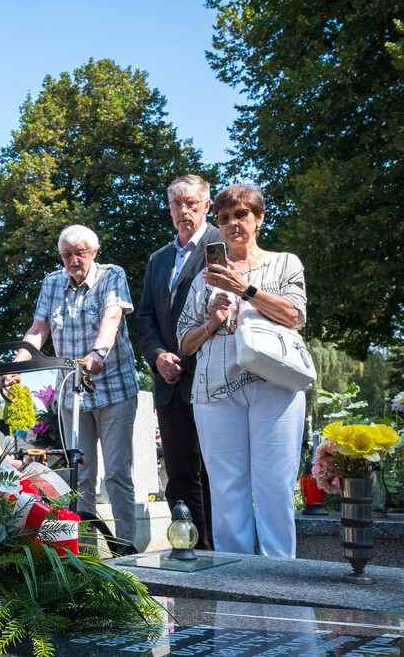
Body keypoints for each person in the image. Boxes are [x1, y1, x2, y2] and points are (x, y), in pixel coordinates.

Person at [176, 184, 307, 557]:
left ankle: (280, 576)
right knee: (226, 488)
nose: (232, 223)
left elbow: (294, 316)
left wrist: (243, 288)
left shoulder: (285, 263)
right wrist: (211, 323)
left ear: (259, 219)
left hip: (275, 384)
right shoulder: (205, 276)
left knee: (275, 486)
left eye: (240, 215)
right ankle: (234, 581)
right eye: (224, 217)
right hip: (215, 389)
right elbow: (184, 342)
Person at [14, 224, 139, 554]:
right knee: (79, 476)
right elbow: (38, 329)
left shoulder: (113, 275)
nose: (73, 260)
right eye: (67, 254)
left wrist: (98, 353)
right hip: (71, 391)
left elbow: (112, 317)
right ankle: (84, 556)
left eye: (80, 253)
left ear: (94, 253)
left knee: (116, 474)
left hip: (113, 389)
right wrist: (16, 366)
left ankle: (127, 551)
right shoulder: (52, 282)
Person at [136, 174, 219, 550]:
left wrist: (186, 354)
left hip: (212, 377)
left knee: (216, 472)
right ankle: (189, 548)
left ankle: (220, 549)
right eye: (176, 204)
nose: (183, 210)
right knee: (180, 473)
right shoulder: (158, 259)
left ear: (206, 205)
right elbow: (145, 318)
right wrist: (158, 357)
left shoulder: (221, 245)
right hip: (168, 384)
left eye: (190, 203)